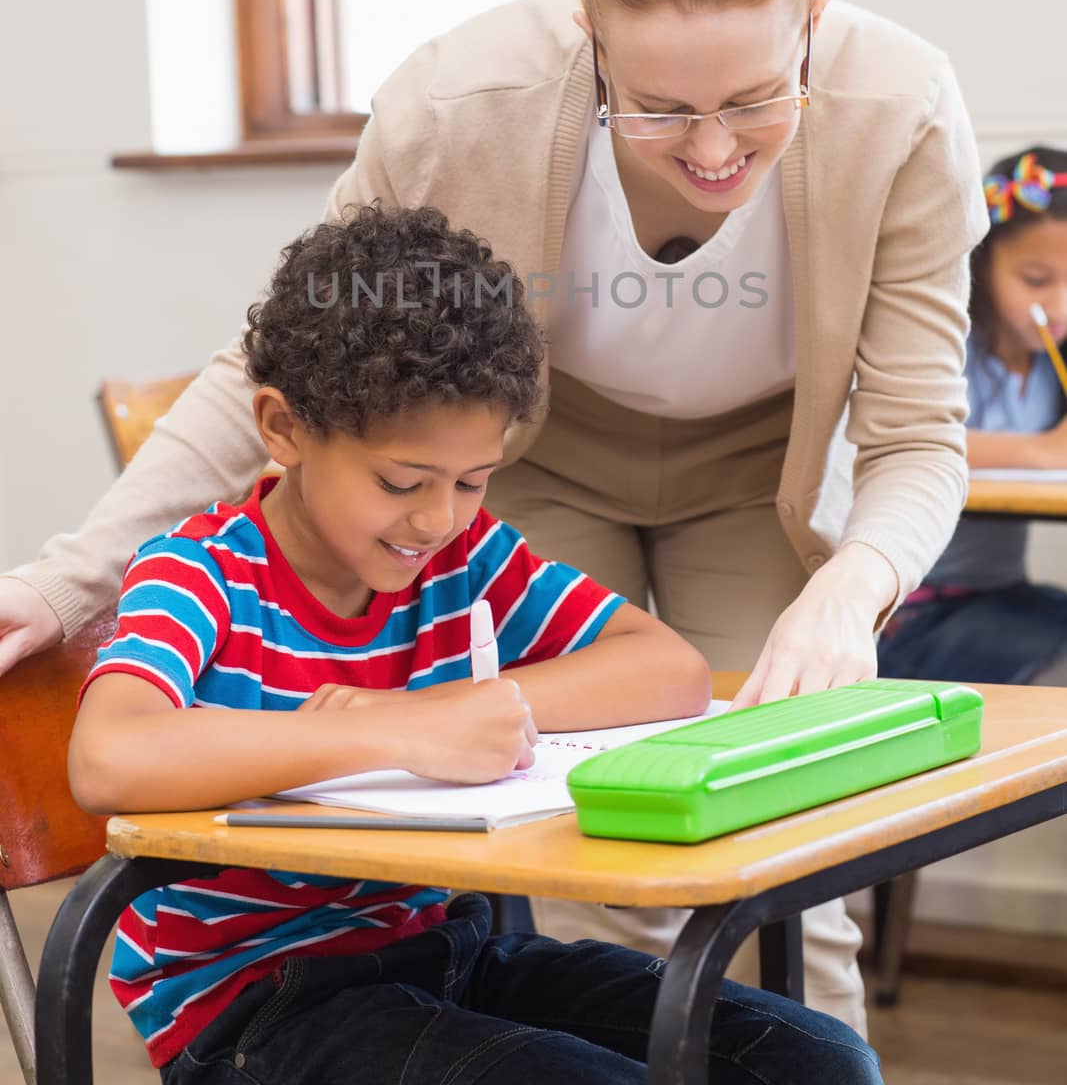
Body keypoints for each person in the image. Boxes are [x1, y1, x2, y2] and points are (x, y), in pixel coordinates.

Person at [3, 0, 988, 1026]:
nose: (711, 153)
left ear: (812, 22)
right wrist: (66, 577)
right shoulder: (459, 103)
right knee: (606, 862)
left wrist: (850, 589)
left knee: (790, 867)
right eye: (659, 109)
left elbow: (912, 433)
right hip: (538, 468)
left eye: (754, 100)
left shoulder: (899, 109)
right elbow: (275, 372)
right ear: (587, 38)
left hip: (759, 475)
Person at [68, 205, 884, 1085]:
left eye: (472, 481)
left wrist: (460, 710)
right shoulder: (200, 574)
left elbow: (670, 670)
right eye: (400, 481)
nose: (436, 518)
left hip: (446, 951)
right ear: (283, 428)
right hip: (254, 1003)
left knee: (814, 1060)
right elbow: (109, 757)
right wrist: (394, 732)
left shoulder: (462, 556)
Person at [879, 147, 1067, 685]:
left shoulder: (1050, 363)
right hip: (917, 611)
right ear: (983, 265)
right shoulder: (948, 346)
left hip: (1005, 595)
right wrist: (1041, 451)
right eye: (1036, 280)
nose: (1059, 304)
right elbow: (906, 439)